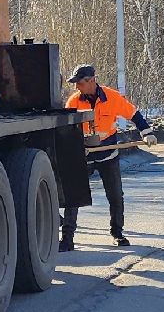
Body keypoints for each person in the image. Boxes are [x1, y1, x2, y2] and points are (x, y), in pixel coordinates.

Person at [61, 64, 151, 249]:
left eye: (80, 83)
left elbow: (133, 114)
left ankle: (117, 233)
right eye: (76, 83)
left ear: (92, 80)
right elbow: (66, 129)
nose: (77, 87)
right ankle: (67, 239)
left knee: (116, 196)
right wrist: (73, 147)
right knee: (73, 195)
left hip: (108, 153)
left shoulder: (112, 97)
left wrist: (146, 132)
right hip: (84, 155)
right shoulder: (74, 102)